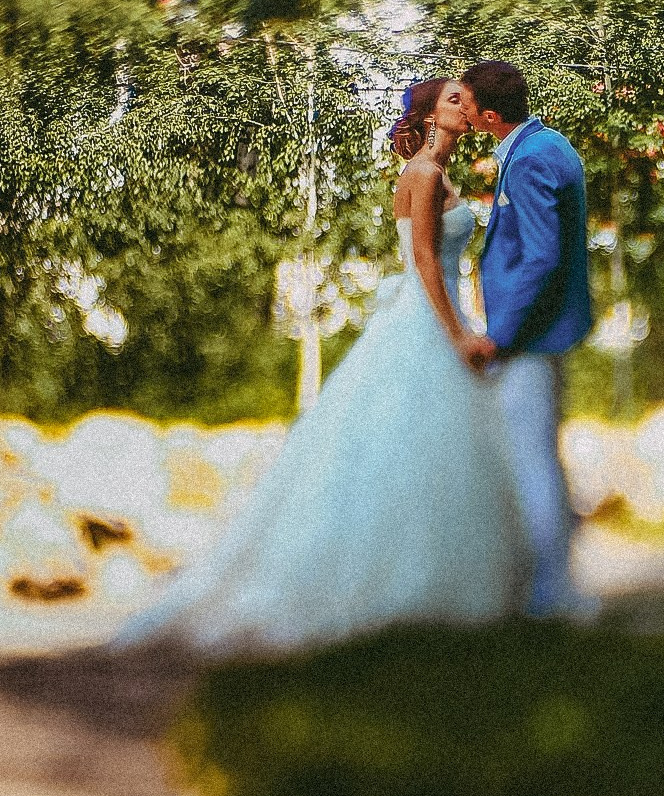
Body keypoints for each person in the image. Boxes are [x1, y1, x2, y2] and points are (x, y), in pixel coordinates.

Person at [113, 78, 529, 655]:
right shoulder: (426, 176)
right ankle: (399, 591)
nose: (466, 106)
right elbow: (426, 262)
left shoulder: (436, 174)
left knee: (421, 450)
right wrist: (458, 332)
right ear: (430, 116)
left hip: (427, 315)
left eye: (466, 98)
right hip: (429, 321)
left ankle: (426, 587)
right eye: (453, 99)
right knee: (420, 444)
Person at [459, 59, 597, 619]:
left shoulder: (532, 161)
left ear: (490, 115)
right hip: (544, 332)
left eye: (465, 103)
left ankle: (550, 594)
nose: (460, 110)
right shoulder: (545, 144)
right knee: (543, 458)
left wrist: (501, 336)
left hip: (531, 338)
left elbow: (540, 256)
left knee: (532, 462)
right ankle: (553, 585)